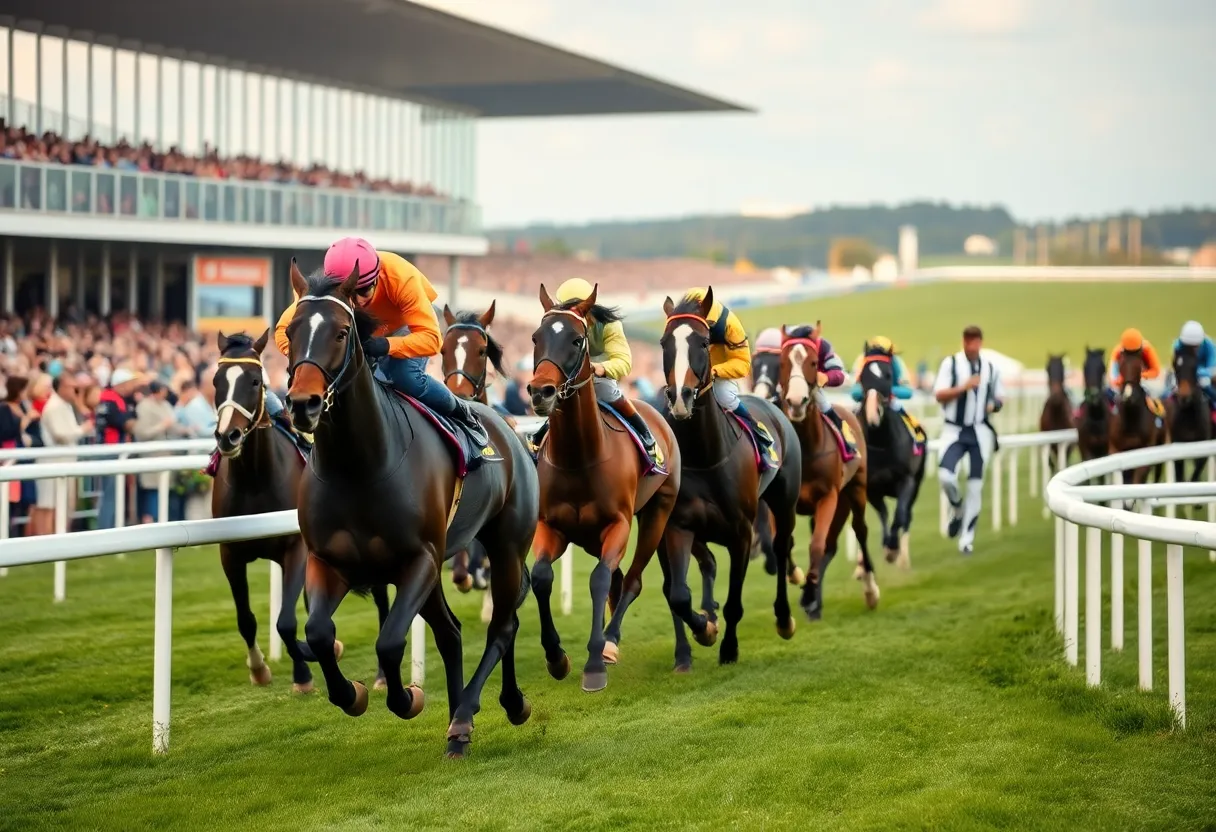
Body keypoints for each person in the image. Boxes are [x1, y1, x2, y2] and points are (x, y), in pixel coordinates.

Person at [274, 236, 484, 441]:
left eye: (366, 290)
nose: (360, 301)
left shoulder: (401, 277)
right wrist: (313, 358)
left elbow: (431, 340)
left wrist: (385, 345)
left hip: (405, 325)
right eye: (351, 293)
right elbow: (283, 332)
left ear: (377, 276)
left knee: (403, 375)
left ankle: (461, 412)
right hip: (362, 330)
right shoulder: (322, 294)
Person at [527, 278, 662, 467]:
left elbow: (623, 362)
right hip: (570, 379)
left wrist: (600, 368)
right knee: (559, 399)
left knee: (606, 391)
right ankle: (538, 439)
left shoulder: (609, 325)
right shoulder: (561, 324)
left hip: (599, 377)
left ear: (589, 306)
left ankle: (647, 438)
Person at [679, 287, 777, 470]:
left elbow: (743, 362)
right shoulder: (680, 317)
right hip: (688, 371)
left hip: (718, 372)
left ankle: (760, 437)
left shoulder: (729, 324)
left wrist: (715, 371)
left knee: (725, 396)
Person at [933, 325, 1005, 556]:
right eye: (968, 342)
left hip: (979, 431)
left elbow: (999, 398)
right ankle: (957, 508)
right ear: (964, 342)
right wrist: (962, 388)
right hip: (954, 430)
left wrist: (993, 405)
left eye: (976, 342)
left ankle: (967, 539)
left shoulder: (991, 368)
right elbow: (939, 394)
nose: (972, 346)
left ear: (980, 343)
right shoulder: (951, 364)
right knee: (945, 476)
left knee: (976, 485)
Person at [38, 375, 92, 536]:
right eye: (71, 387)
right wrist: (83, 430)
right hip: (53, 463)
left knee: (66, 504)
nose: (74, 391)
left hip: (66, 462)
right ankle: (46, 543)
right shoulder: (54, 406)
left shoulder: (66, 405)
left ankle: (61, 539)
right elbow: (60, 434)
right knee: (50, 505)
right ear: (60, 387)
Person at [93, 367, 141, 529]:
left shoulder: (116, 399)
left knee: (114, 494)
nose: (133, 386)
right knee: (110, 495)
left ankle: (111, 528)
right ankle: (105, 530)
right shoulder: (111, 400)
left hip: (114, 451)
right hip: (110, 451)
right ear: (121, 383)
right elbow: (127, 424)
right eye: (130, 383)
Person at [849, 336, 924, 437]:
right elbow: (854, 392)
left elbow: (908, 391)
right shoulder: (862, 359)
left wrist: (887, 390)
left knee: (915, 430)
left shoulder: (896, 361)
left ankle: (918, 444)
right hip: (865, 400)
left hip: (891, 400)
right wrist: (870, 391)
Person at [1172, 320, 1216, 409]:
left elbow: (1212, 369)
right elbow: (1176, 365)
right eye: (1188, 347)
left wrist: (1197, 372)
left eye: (1195, 347)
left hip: (1204, 379)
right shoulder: (1178, 346)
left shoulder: (1209, 346)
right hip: (1184, 377)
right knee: (1165, 393)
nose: (1192, 350)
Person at [1108, 328, 1162, 397]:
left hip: (1143, 381)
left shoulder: (1147, 349)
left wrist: (1139, 376)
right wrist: (1123, 380)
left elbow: (1156, 371)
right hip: (1123, 382)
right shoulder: (1117, 352)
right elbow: (1113, 378)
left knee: (1158, 390)